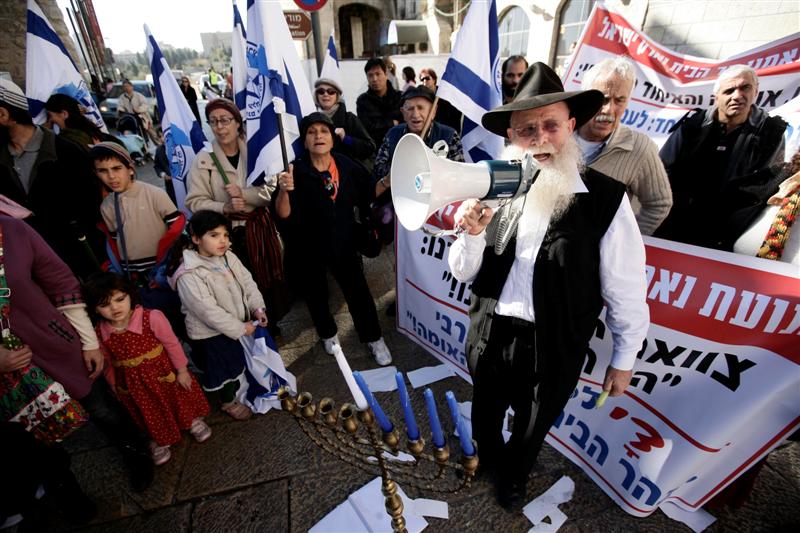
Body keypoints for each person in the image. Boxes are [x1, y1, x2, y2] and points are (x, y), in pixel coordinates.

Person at [450, 63, 649, 508]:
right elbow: (464, 272)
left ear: (571, 126)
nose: (539, 137)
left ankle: (515, 476)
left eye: (550, 125)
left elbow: (625, 286)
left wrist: (624, 357)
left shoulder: (605, 200)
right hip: (492, 333)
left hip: (554, 343)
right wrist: (472, 232)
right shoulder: (491, 185)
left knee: (533, 422)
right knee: (485, 411)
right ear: (511, 136)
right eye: (526, 129)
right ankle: (486, 456)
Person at [0, 215, 154, 491]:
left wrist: (88, 341)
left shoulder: (10, 229)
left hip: (53, 343)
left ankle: (137, 454)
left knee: (101, 408)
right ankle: (64, 491)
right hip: (7, 374)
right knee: (30, 435)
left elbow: (60, 282)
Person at [273, 113, 392, 365]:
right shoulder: (295, 171)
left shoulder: (346, 165)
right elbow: (282, 215)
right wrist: (284, 190)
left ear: (331, 137)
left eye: (324, 131)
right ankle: (328, 334)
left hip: (344, 242)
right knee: (316, 294)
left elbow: (370, 190)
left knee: (358, 292)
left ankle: (373, 338)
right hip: (308, 247)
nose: (318, 136)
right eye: (312, 132)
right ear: (304, 140)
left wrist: (388, 180)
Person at [83, 273, 212, 466]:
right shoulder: (99, 331)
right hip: (132, 382)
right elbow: (107, 361)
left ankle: (191, 421)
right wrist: (114, 385)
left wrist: (182, 370)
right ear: (95, 309)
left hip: (162, 373)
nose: (115, 308)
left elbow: (172, 344)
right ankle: (157, 437)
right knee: (147, 409)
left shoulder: (151, 317)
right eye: (105, 304)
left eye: (120, 299)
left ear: (130, 295)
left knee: (177, 398)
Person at [185, 98, 288, 333]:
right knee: (236, 283)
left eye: (225, 120)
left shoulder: (255, 151)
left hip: (258, 229)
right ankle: (242, 327)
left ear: (238, 123)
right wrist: (225, 208)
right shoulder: (203, 160)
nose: (220, 127)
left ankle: (270, 324)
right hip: (225, 235)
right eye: (213, 122)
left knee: (267, 279)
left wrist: (244, 194)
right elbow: (194, 201)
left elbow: (269, 190)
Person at [656, 65, 787, 247]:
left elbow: (764, 187)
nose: (737, 96)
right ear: (716, 97)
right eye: (729, 90)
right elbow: (660, 171)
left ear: (756, 92)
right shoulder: (693, 125)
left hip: (726, 237)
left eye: (745, 88)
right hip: (673, 226)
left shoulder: (770, 132)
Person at [167, 210, 270, 420]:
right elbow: (208, 312)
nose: (222, 241)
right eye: (214, 235)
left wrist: (257, 308)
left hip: (233, 326)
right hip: (210, 335)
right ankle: (228, 402)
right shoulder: (189, 274)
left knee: (235, 362)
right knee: (224, 370)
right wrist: (240, 328)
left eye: (225, 235)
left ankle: (237, 388)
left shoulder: (227, 257)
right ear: (195, 239)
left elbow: (247, 282)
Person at [0, 79, 106, 280]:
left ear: (3, 114)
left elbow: (92, 209)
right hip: (28, 269)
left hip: (79, 266)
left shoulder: (67, 152)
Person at [90, 142, 187, 338]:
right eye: (103, 171)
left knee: (183, 322)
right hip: (136, 280)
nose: (111, 176)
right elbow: (115, 243)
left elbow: (176, 231)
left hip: (163, 273)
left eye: (117, 168)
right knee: (156, 329)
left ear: (130, 168)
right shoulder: (107, 206)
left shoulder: (154, 194)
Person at [576, 58, 672, 235]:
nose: (608, 109)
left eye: (619, 100)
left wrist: (625, 241)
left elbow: (659, 204)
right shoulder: (559, 135)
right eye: (602, 99)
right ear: (586, 98)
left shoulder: (640, 147)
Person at [373, 85, 464, 192]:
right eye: (410, 109)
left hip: (439, 198)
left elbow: (459, 172)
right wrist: (401, 170)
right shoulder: (392, 134)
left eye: (421, 108)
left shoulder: (449, 135)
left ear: (433, 111)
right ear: (403, 113)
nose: (415, 115)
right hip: (400, 197)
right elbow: (378, 168)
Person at [314, 77, 375, 163]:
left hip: (348, 172)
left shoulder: (349, 118)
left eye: (331, 92)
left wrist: (345, 138)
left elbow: (369, 147)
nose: (325, 94)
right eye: (321, 91)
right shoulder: (312, 120)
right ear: (316, 96)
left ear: (337, 96)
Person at [44, 93, 122, 150]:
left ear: (64, 114)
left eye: (50, 115)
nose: (50, 120)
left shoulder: (68, 141)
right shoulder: (89, 129)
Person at [356, 58, 403, 146]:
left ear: (385, 74)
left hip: (399, 148)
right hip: (374, 152)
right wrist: (391, 123)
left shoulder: (400, 97)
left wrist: (378, 125)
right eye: (370, 75)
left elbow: (404, 126)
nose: (375, 79)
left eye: (378, 74)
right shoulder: (362, 101)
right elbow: (366, 130)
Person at [117, 80, 161, 146]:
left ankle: (160, 146)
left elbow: (145, 105)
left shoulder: (138, 95)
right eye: (124, 87)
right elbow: (120, 106)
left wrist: (138, 110)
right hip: (130, 119)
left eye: (128, 86)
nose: (126, 88)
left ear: (132, 87)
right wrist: (121, 111)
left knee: (152, 133)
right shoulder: (122, 97)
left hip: (142, 117)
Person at [419, 67, 463, 133]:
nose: (424, 81)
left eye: (427, 78)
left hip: (447, 130)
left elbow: (455, 114)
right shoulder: (422, 96)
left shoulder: (444, 94)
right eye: (422, 79)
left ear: (434, 80)